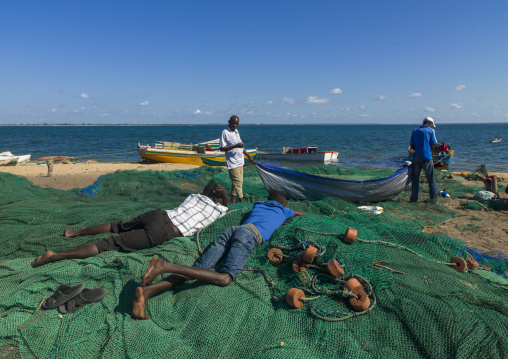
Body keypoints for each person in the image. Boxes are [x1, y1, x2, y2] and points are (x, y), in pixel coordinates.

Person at [132, 190, 305, 320]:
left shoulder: (259, 205)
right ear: (283, 204)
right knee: (225, 278)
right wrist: (286, 213)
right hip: (250, 236)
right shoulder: (284, 211)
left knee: (198, 269)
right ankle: (163, 266)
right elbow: (300, 213)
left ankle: (147, 292)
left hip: (233, 231)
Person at [31, 184, 230, 268]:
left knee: (118, 227)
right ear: (219, 200)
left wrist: (214, 192)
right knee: (109, 244)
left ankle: (76, 232)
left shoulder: (194, 198)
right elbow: (227, 206)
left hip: (158, 215)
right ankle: (56, 256)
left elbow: (205, 193)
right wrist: (224, 196)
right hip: (165, 231)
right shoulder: (218, 211)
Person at [219, 115, 255, 203]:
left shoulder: (236, 132)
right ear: (229, 122)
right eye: (233, 123)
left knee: (236, 184)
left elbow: (242, 147)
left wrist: (249, 157)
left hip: (240, 162)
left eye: (236, 124)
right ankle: (242, 202)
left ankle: (233, 201)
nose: (235, 125)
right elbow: (221, 148)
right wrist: (235, 146)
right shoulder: (225, 132)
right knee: (238, 183)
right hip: (232, 163)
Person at [409, 117, 438, 203]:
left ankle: (414, 199)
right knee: (431, 178)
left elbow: (412, 146)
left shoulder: (415, 131)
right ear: (429, 123)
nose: (432, 127)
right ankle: (434, 200)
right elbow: (433, 145)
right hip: (426, 156)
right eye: (431, 125)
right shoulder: (430, 131)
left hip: (416, 156)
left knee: (415, 178)